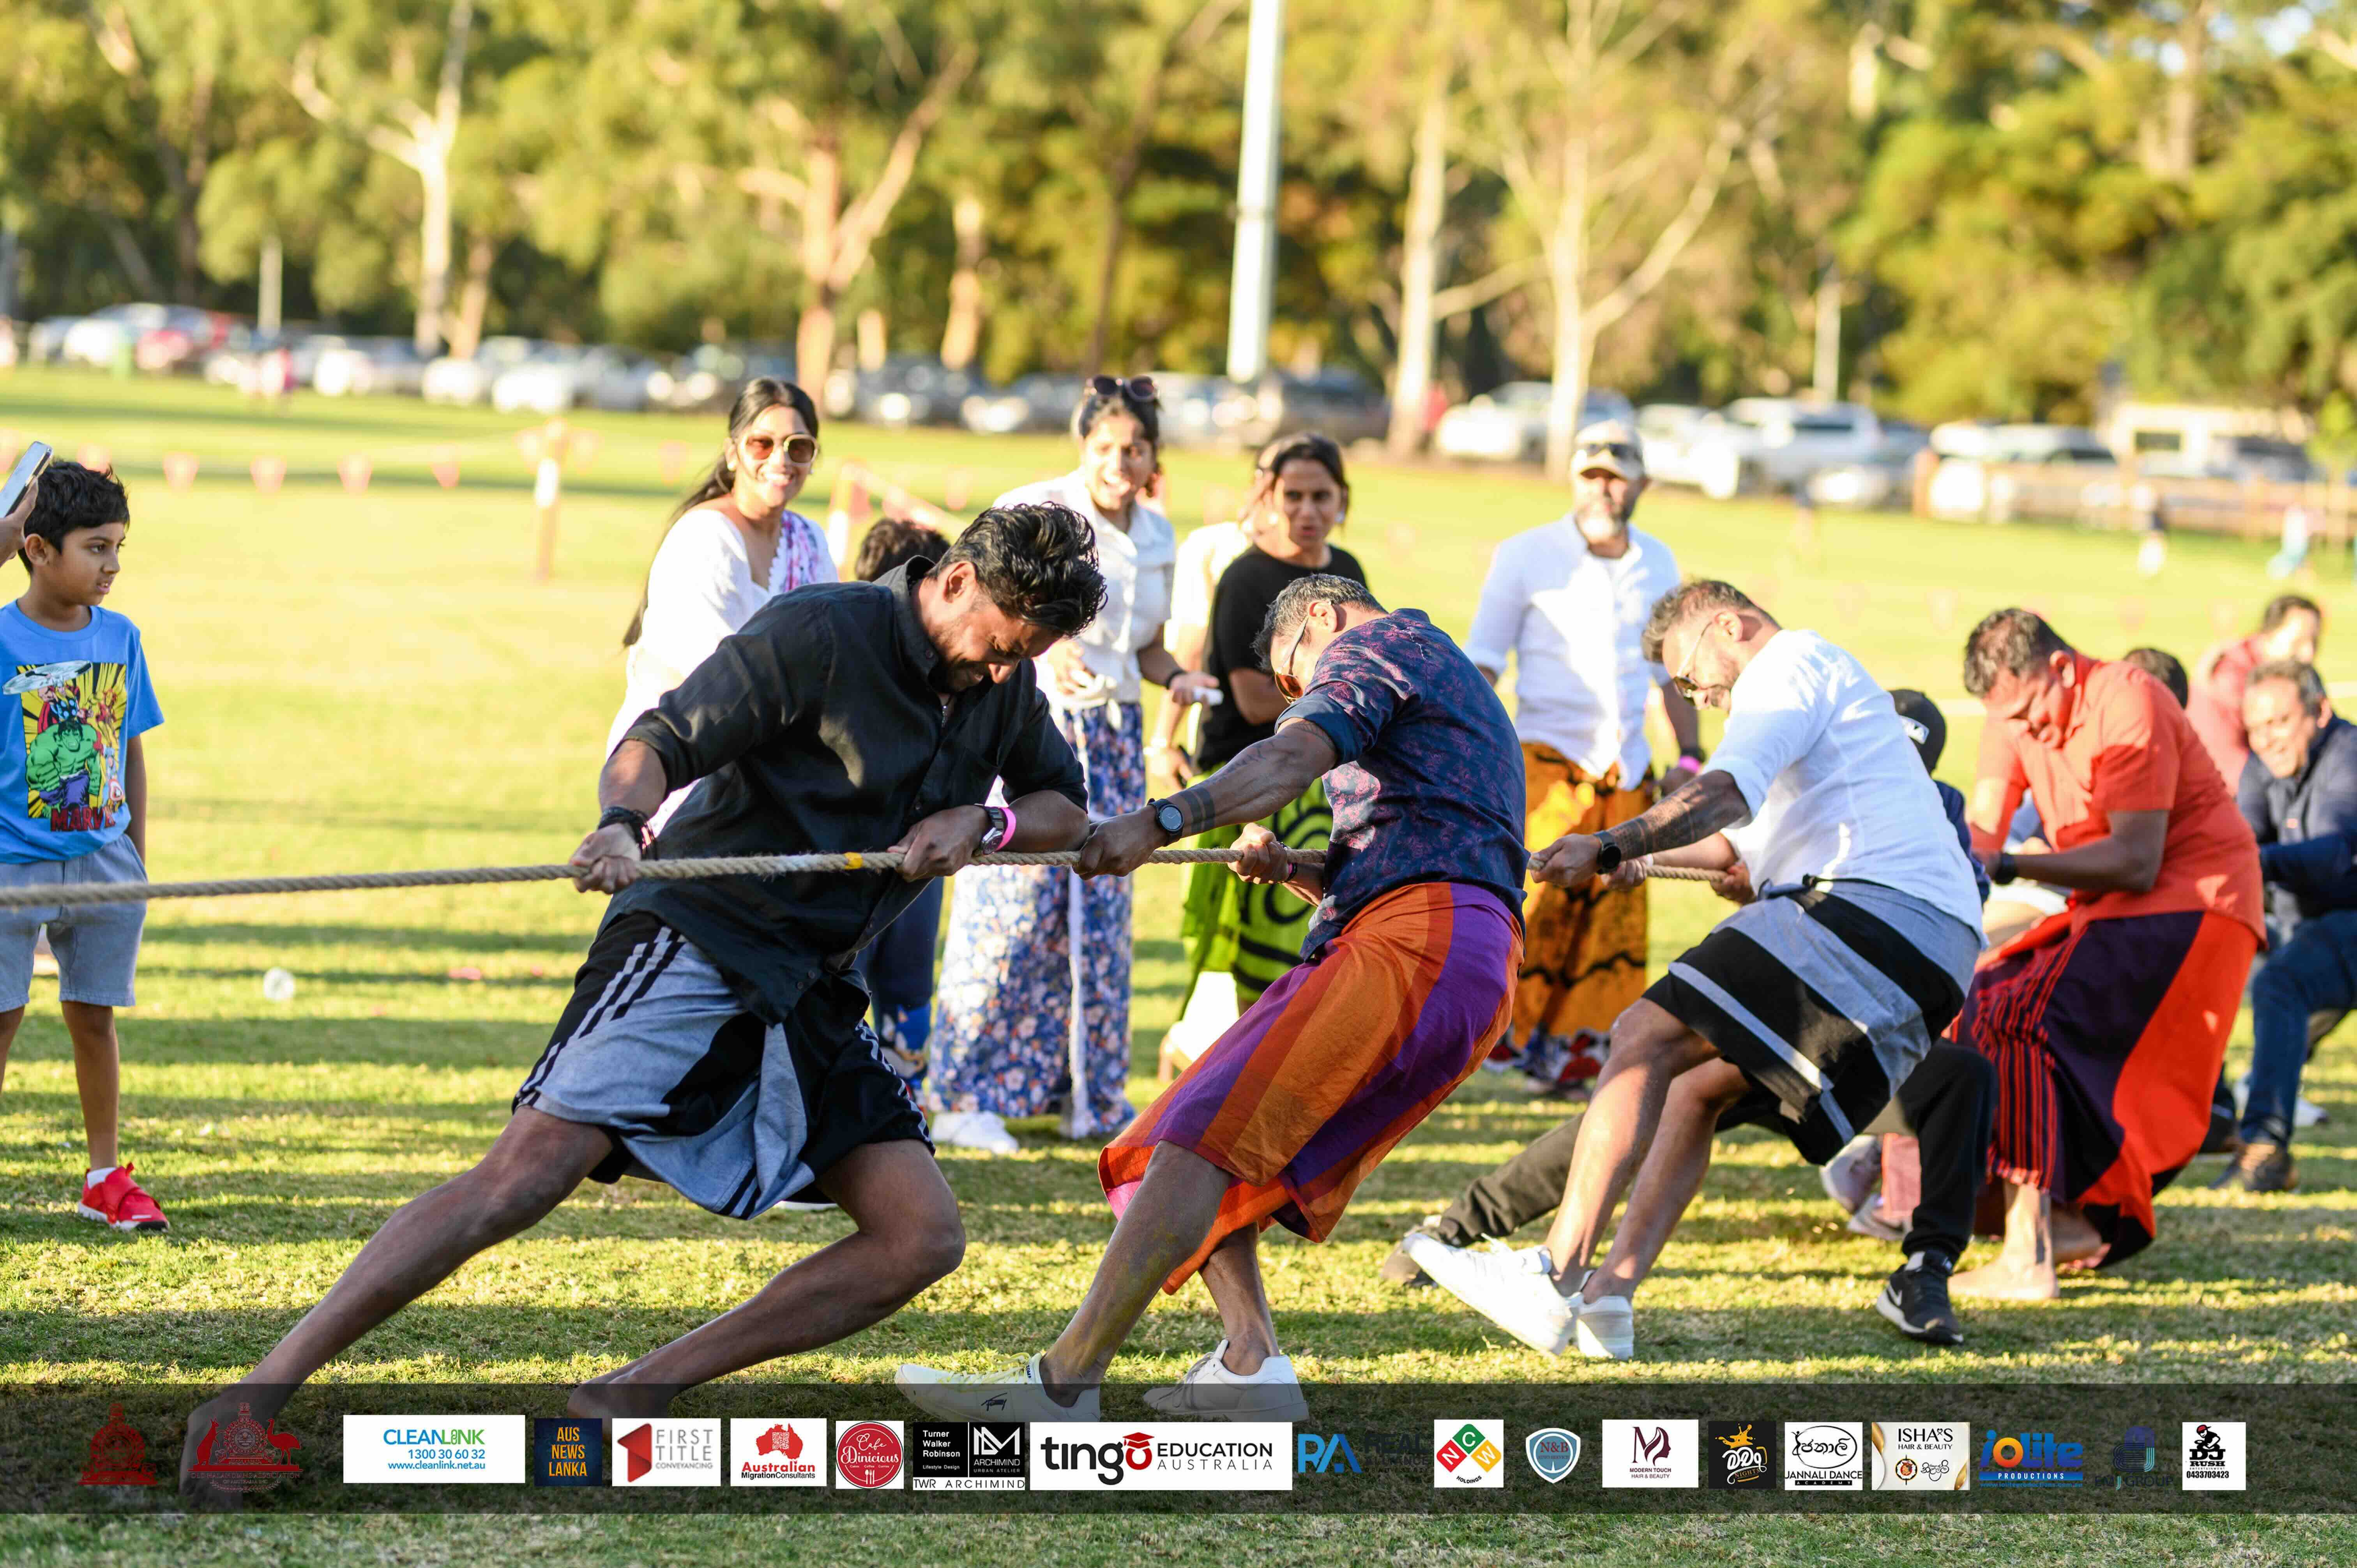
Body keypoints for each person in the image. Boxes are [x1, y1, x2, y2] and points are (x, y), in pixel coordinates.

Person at [183, 505, 1105, 1495]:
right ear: (958, 579)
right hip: (697, 933)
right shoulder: (821, 630)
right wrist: (622, 822)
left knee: (920, 1235)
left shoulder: (1004, 686)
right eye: (1004, 644)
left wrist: (988, 817)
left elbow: (1065, 805)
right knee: (523, 1178)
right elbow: (662, 737)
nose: (1007, 669)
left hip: (816, 979)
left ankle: (632, 1391)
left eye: (1029, 654)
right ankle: (249, 1401)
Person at [896, 573, 1525, 1420]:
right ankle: (1250, 1359)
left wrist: (1160, 819)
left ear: (1323, 619)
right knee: (1180, 1136)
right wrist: (1306, 871)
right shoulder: (1443, 677)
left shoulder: (1380, 645)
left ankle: (1062, 1384)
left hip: (1422, 942)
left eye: (1298, 678)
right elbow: (1425, 846)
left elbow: (1290, 758)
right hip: (1458, 954)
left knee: (1196, 1137)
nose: (1301, 697)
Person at [1399, 584, 1984, 1360]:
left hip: (1874, 912)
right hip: (1934, 953)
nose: (1697, 696)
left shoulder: (1788, 665)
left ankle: (1556, 1272)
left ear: (1729, 625)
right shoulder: (1832, 699)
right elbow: (1738, 847)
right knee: (1693, 1087)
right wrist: (1633, 855)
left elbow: (1722, 793)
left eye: (1689, 676)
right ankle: (1609, 1296)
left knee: (1643, 1031)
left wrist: (1610, 842)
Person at [929, 378, 1218, 1153]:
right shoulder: (1041, 507)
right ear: (1081, 445)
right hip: (1035, 725)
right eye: (1105, 447)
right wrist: (1039, 657)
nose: (1119, 462)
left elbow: (1144, 648)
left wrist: (1178, 679)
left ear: (1154, 454)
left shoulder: (1158, 534)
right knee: (1013, 909)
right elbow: (978, 599)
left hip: (1117, 733)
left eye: (1135, 448)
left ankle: (1083, 1092)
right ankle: (961, 1091)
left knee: (1098, 912)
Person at [1952, 609, 2262, 1299]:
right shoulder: (2011, 714)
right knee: (1975, 999)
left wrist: (2008, 864)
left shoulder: (2127, 697)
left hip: (2196, 899)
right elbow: (1981, 834)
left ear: (2061, 669)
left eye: (2032, 713)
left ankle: (2027, 1256)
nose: (2025, 731)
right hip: (2116, 903)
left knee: (2015, 1014)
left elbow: (2134, 860)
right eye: (2010, 720)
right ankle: (2070, 1217)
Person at [1463, 420, 1701, 1095]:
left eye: (1616, 475)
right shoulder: (1524, 553)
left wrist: (1687, 753)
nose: (1602, 487)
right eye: (1590, 474)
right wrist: (1467, 755)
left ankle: (1579, 1061)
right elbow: (1481, 662)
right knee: (1530, 909)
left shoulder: (1657, 560)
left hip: (1628, 769)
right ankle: (1491, 1053)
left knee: (1611, 926)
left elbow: (1667, 674)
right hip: (1544, 759)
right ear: (1572, 478)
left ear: (1641, 483)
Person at [0, 462, 167, 1234]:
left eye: (120, 547)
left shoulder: (121, 635)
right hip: (9, 868)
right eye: (96, 547)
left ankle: (105, 1174)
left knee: (94, 1018)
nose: (113, 565)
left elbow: (130, 747)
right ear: (36, 547)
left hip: (104, 865)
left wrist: (135, 854)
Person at [1180, 434, 1369, 1010]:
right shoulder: (1246, 577)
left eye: (1321, 496)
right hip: (1253, 778)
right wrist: (1338, 698)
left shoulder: (1348, 570)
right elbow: (1255, 702)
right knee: (1256, 959)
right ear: (1271, 498)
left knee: (1321, 948)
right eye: (1294, 496)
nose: (1308, 511)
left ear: (1343, 500)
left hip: (1325, 782)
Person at [607, 378, 836, 830]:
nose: (780, 460)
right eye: (762, 444)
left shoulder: (809, 539)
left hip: (766, 764)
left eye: (799, 447)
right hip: (677, 758)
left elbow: (832, 655)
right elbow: (717, 677)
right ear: (733, 453)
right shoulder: (706, 538)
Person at [2221, 660, 2357, 1193]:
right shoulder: (2262, 766)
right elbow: (2242, 840)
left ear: (2320, 712)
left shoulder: (2348, 755)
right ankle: (2212, 1116)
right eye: (2256, 728)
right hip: (2312, 930)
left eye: (2280, 722)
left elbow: (2336, 853)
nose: (2268, 739)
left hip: (2344, 922)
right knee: (2221, 954)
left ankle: (2264, 1147)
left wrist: (2254, 862)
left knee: (2283, 982)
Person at [850, 520, 952, 1093]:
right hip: (856, 859)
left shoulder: (951, 679)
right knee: (850, 983)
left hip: (921, 860)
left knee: (910, 989)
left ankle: (905, 1103)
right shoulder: (853, 664)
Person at [1148, 506, 1254, 786]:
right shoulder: (1323, 550)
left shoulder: (1211, 546)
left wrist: (1162, 742)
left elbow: (1194, 650)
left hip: (1224, 742)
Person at [2190, 596, 2322, 787]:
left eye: (2314, 642)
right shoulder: (2228, 681)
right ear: (2268, 637)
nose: (2309, 654)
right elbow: (2228, 766)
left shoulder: (2297, 675)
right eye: (2299, 642)